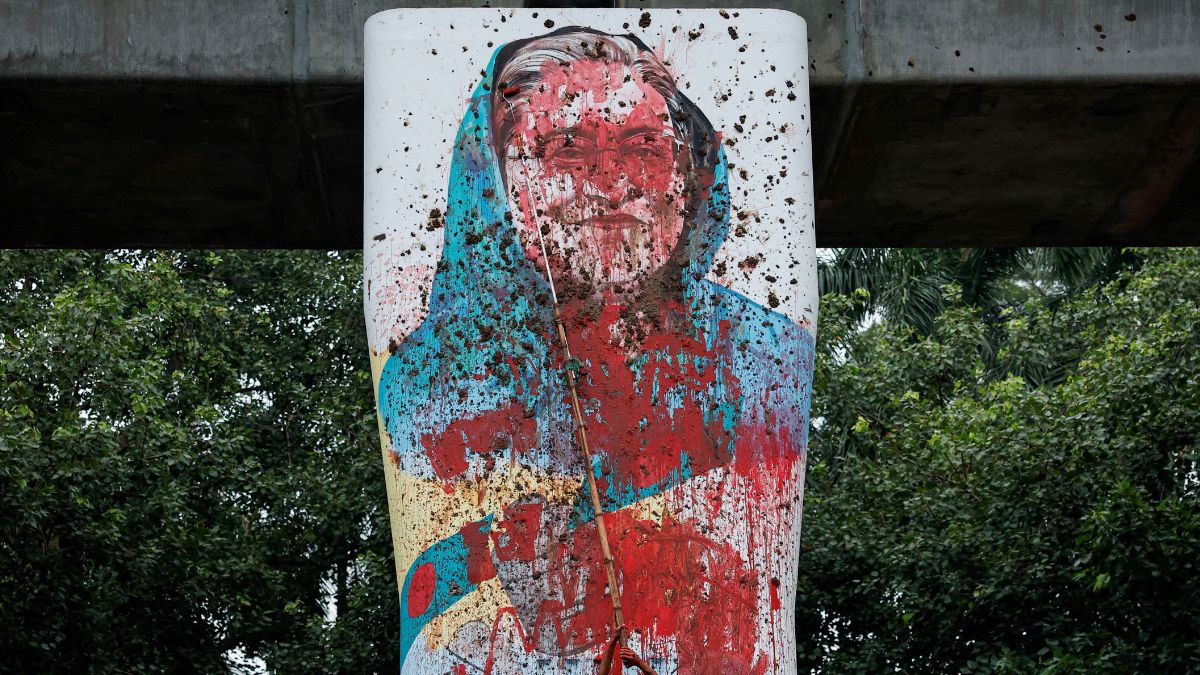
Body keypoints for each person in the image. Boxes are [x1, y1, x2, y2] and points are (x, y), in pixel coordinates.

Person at [378, 27, 814, 673]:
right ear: (499, 179)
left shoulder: (766, 359)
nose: (613, 184)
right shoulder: (432, 388)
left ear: (687, 175)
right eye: (567, 149)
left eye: (644, 147)